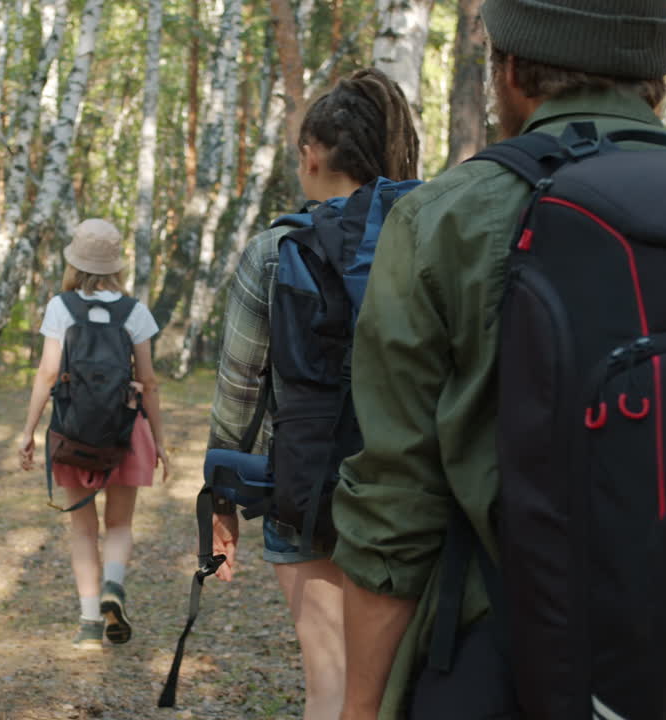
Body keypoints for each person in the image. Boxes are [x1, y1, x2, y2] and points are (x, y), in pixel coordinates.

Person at [331, 1, 666, 718]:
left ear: (511, 73)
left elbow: (396, 504)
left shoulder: (448, 216)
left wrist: (360, 705)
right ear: (657, 81)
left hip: (512, 654)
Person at [206, 68, 419, 720]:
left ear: (314, 152)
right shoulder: (428, 233)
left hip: (307, 489)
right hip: (411, 495)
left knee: (330, 687)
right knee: (394, 690)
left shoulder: (275, 250)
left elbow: (240, 388)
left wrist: (218, 501)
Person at [18, 219, 170, 649]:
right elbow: (149, 381)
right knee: (120, 523)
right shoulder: (135, 312)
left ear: (75, 261)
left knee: (83, 529)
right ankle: (114, 588)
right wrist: (159, 442)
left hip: (74, 434)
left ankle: (88, 626)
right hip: (126, 430)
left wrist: (28, 431)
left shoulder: (61, 307)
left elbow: (48, 374)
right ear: (116, 265)